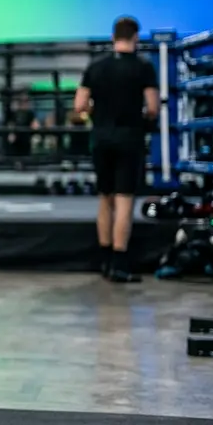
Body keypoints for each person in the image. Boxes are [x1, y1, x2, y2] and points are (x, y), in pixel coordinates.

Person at [74, 15, 158, 283]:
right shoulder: (143, 67)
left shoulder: (96, 66)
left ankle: (105, 259)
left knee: (105, 198)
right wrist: (142, 120)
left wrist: (96, 115)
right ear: (135, 38)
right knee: (124, 201)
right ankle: (120, 264)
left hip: (101, 138)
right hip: (129, 138)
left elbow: (79, 105)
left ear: (113, 37)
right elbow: (153, 107)